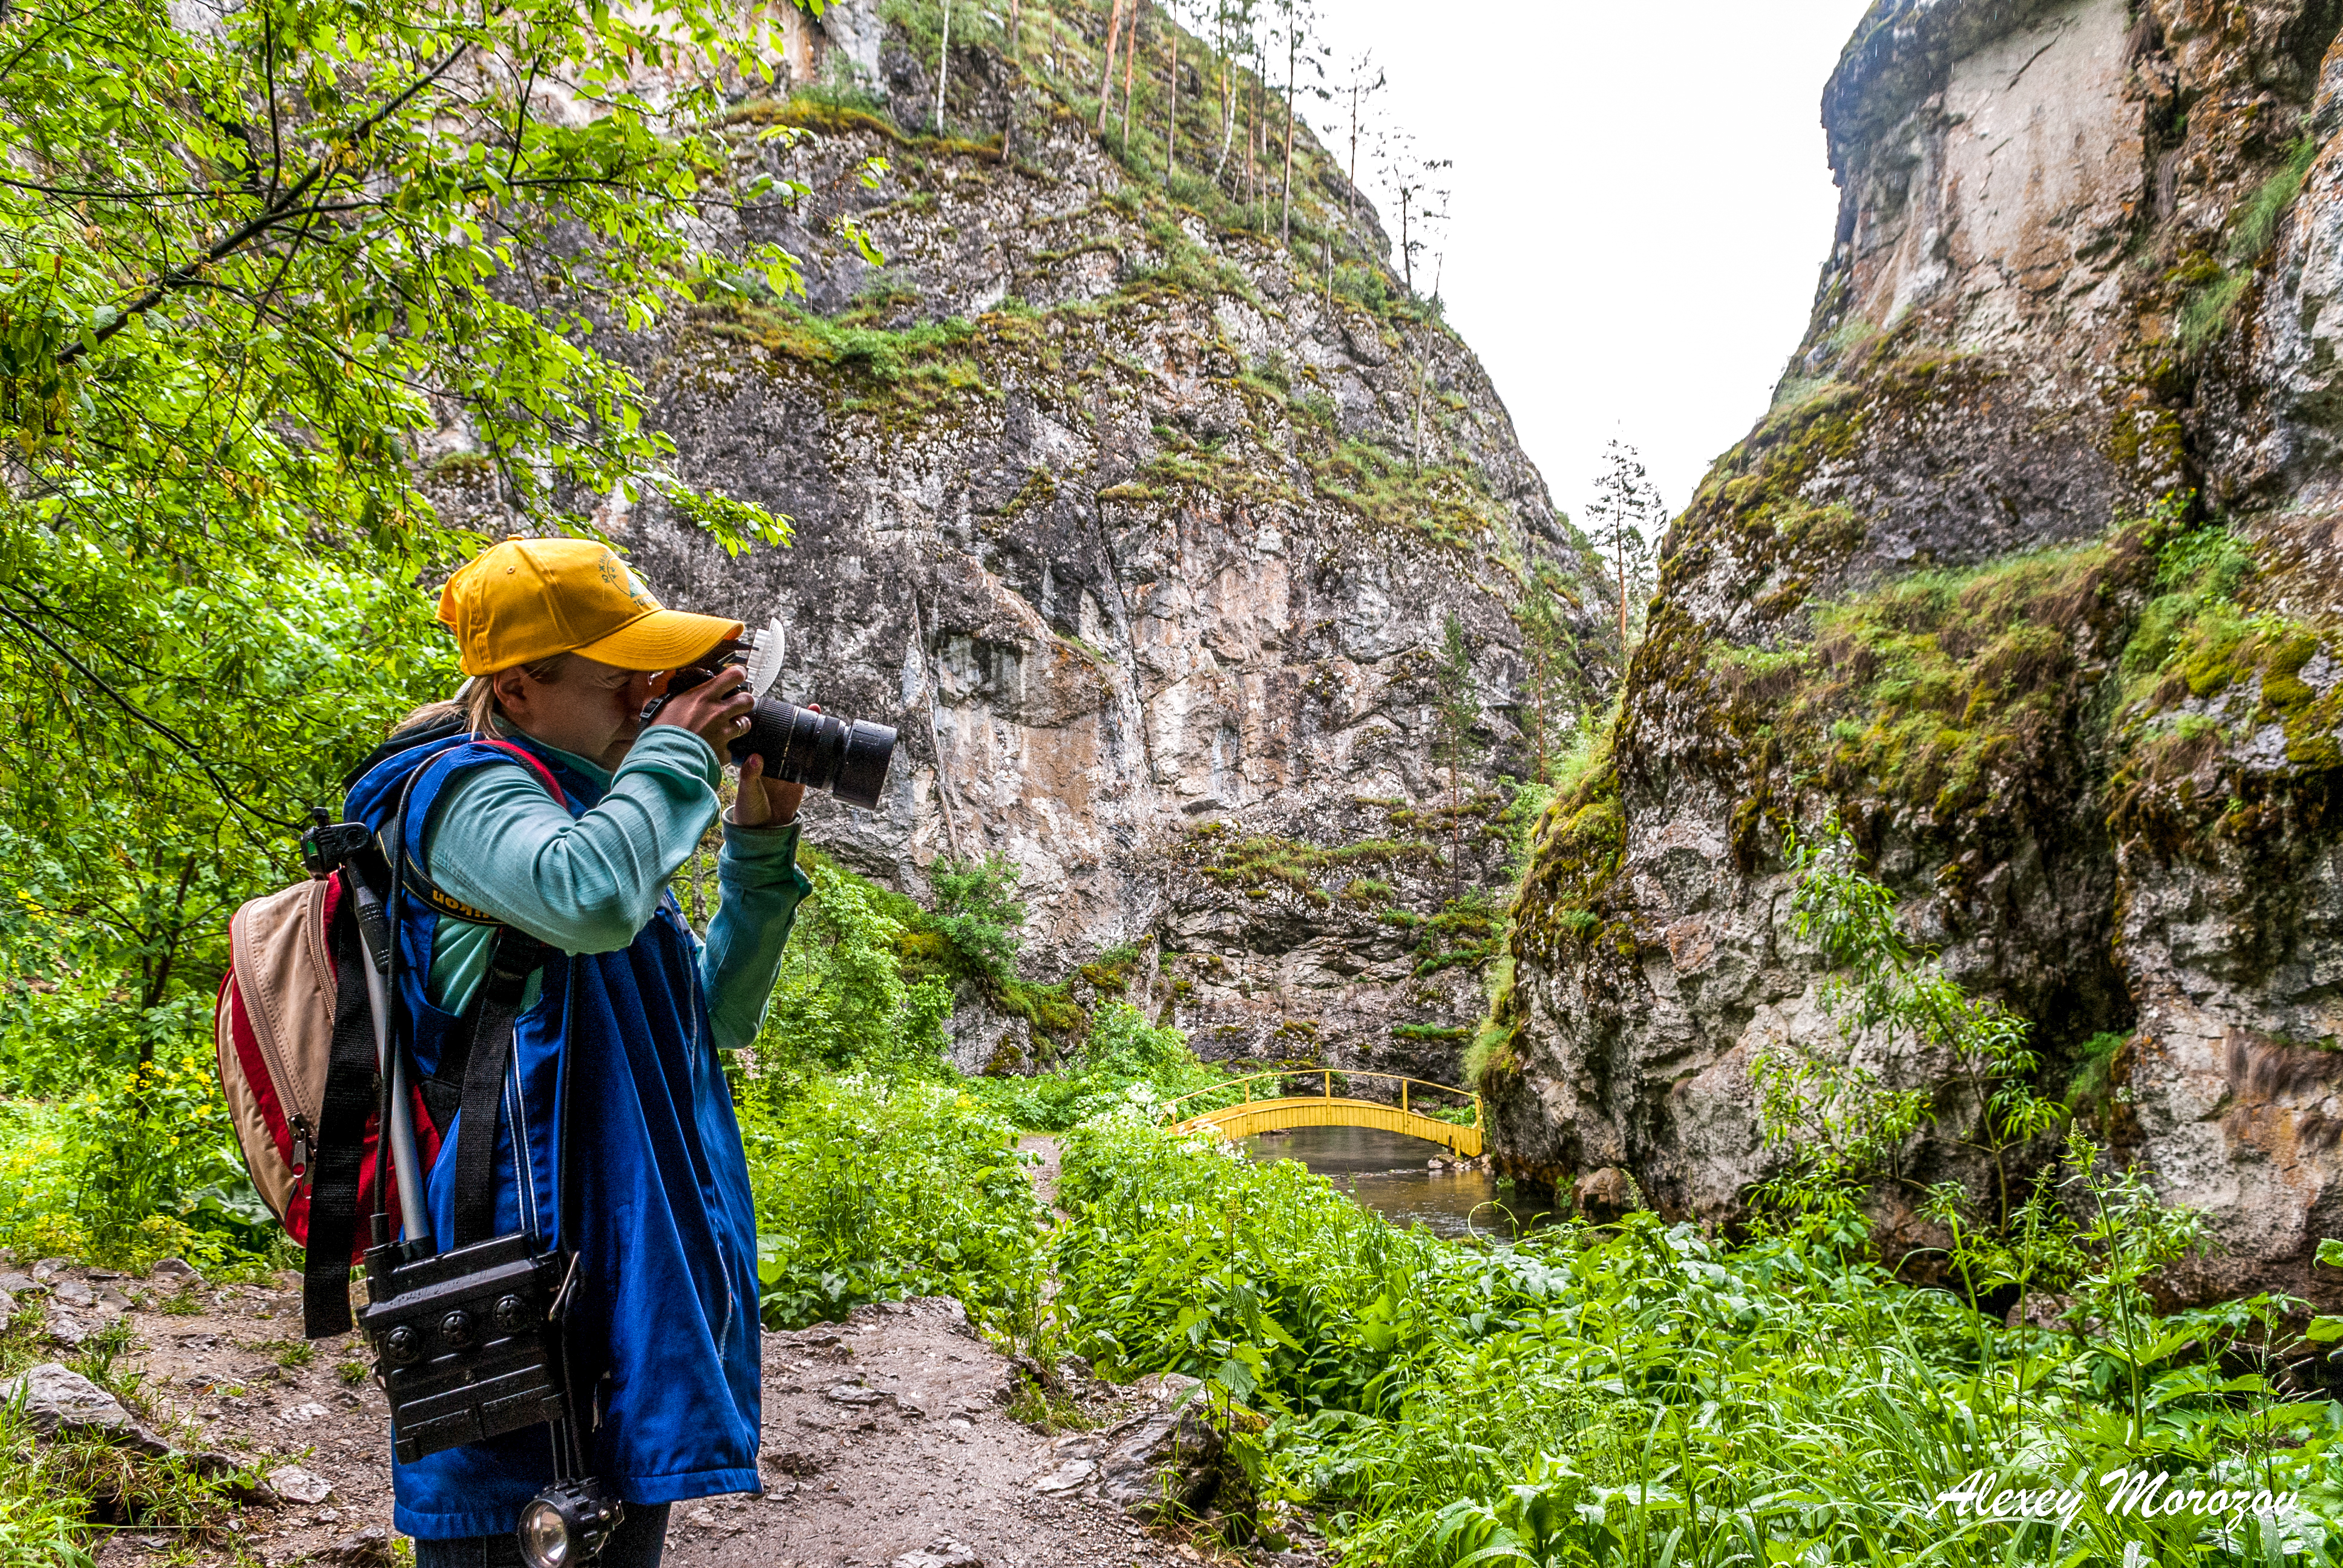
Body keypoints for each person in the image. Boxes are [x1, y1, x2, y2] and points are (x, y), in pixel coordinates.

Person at [343, 537, 807, 1567]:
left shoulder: (590, 809)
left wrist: (760, 850)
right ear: (517, 687)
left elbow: (713, 1015)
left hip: (615, 1256)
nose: (652, 700)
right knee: (524, 1523)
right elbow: (587, 898)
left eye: (658, 679)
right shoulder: (460, 795)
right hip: (515, 1270)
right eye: (626, 679)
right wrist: (680, 754)